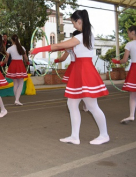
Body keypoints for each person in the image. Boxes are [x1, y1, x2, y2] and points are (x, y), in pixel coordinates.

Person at [30, 10, 109, 145]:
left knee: (92, 105)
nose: (73, 26)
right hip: (80, 70)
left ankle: (104, 134)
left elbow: (58, 45)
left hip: (84, 71)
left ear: (79, 21)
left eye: (74, 23)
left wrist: (38, 50)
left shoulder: (81, 36)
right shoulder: (85, 36)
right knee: (72, 103)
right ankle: (74, 136)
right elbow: (60, 47)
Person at [112, 25, 136, 124]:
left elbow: (124, 60)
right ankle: (131, 115)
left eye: (128, 32)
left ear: (133, 32)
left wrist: (117, 62)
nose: (128, 34)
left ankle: (131, 115)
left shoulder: (129, 44)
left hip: (135, 69)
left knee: (133, 95)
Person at [2, 34, 29, 106]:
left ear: (11, 40)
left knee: (16, 83)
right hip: (20, 64)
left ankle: (16, 99)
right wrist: (27, 62)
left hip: (13, 64)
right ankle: (17, 100)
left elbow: (6, 59)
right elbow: (25, 58)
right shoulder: (22, 47)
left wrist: (2, 63)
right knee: (21, 83)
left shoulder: (10, 48)